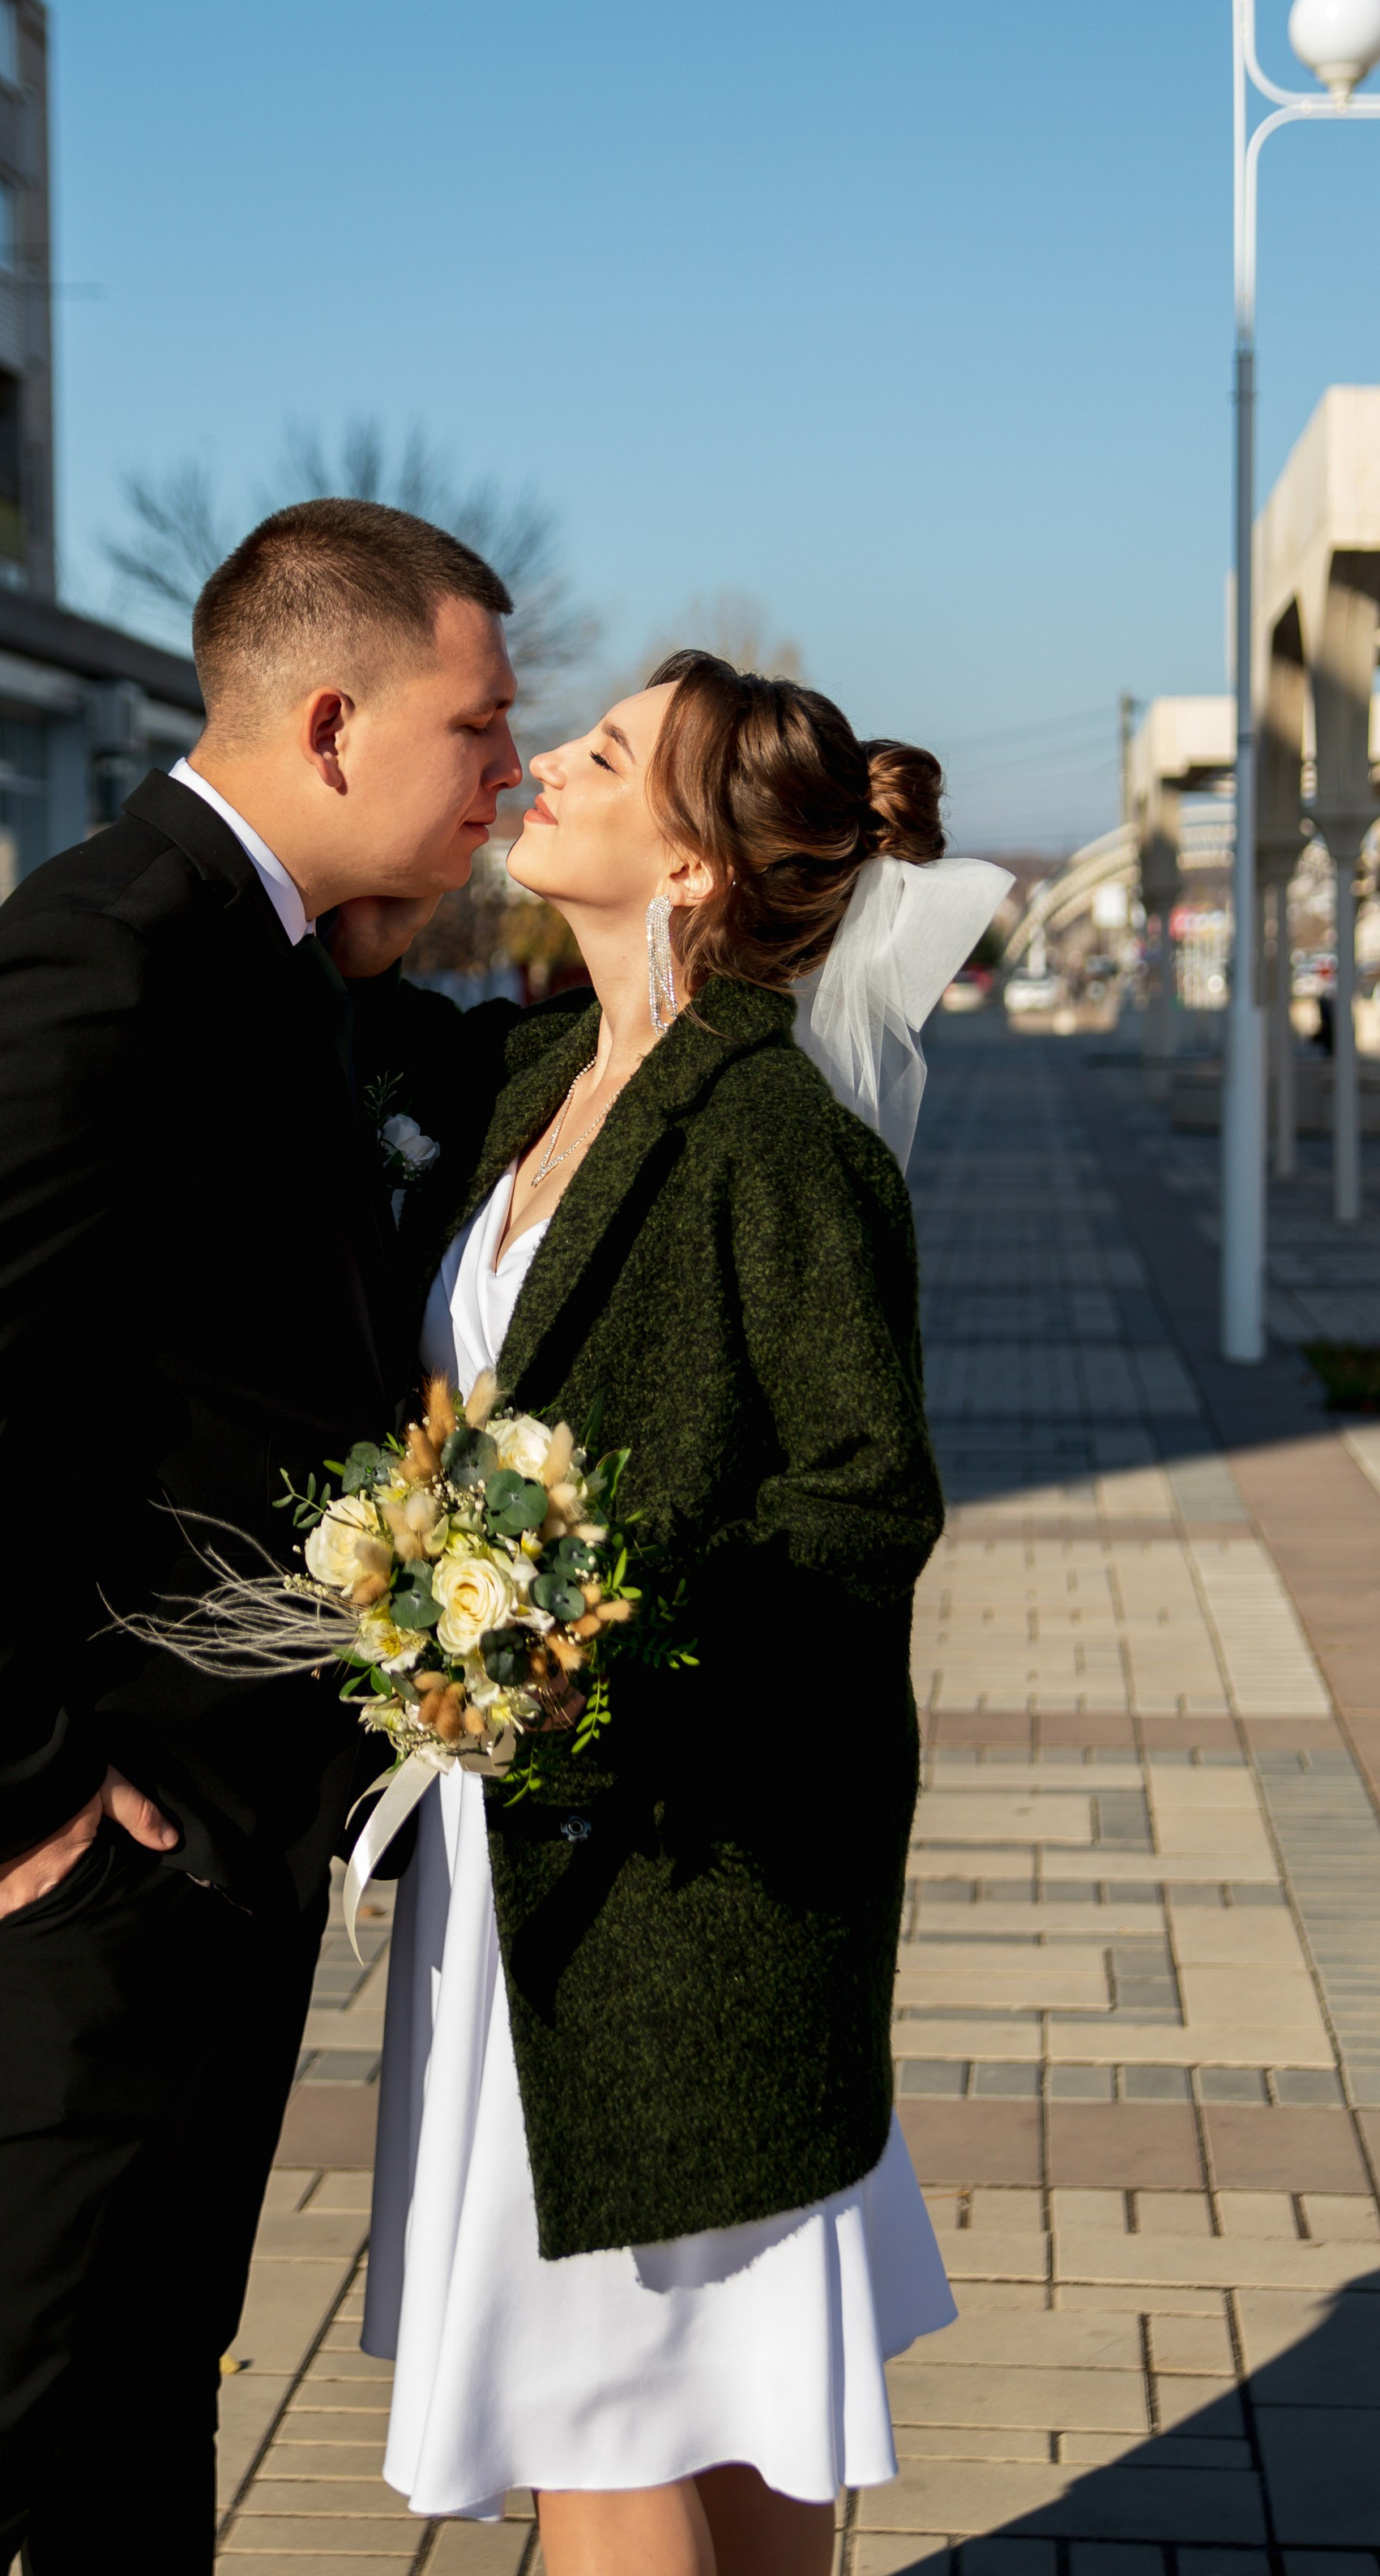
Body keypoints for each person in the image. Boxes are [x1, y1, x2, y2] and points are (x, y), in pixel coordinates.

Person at [0, 498, 521, 2576]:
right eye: (476, 724)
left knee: (139, 2375)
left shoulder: (283, 958)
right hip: (50, 1822)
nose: (505, 771)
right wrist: (12, 1785)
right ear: (329, 716)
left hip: (207, 1818)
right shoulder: (111, 940)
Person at [359, 651, 966, 2576]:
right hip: (527, 1857)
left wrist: (591, 1633)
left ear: (690, 864)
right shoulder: (527, 1074)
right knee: (718, 2421)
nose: (545, 766)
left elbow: (865, 1499)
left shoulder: (782, 1139)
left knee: (612, 2416)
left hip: (678, 1871)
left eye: (603, 756)